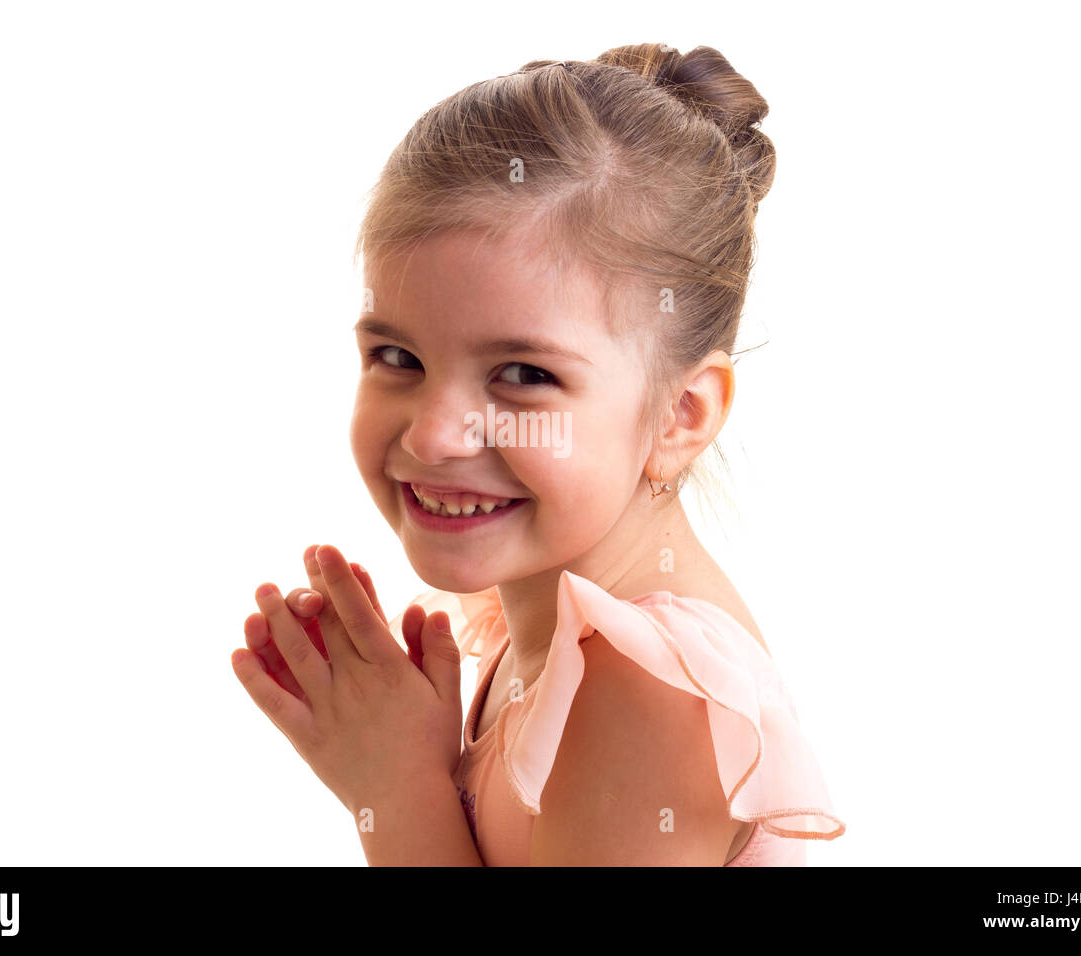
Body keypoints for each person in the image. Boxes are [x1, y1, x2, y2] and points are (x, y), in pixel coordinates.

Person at [231, 42, 846, 865]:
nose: (434, 435)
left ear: (680, 415)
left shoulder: (645, 690)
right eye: (397, 357)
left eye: (523, 375)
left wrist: (395, 787)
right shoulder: (546, 622)